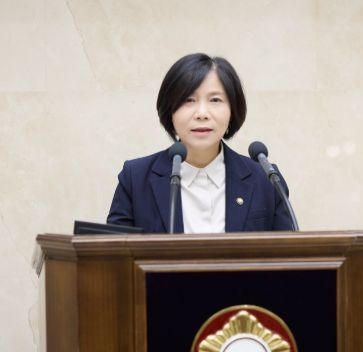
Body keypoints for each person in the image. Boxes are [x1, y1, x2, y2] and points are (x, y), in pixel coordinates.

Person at [107, 53, 293, 233]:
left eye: (215, 100)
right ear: (170, 111)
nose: (202, 113)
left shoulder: (266, 179)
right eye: (188, 100)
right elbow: (115, 252)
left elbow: (287, 251)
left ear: (232, 109)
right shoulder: (135, 179)